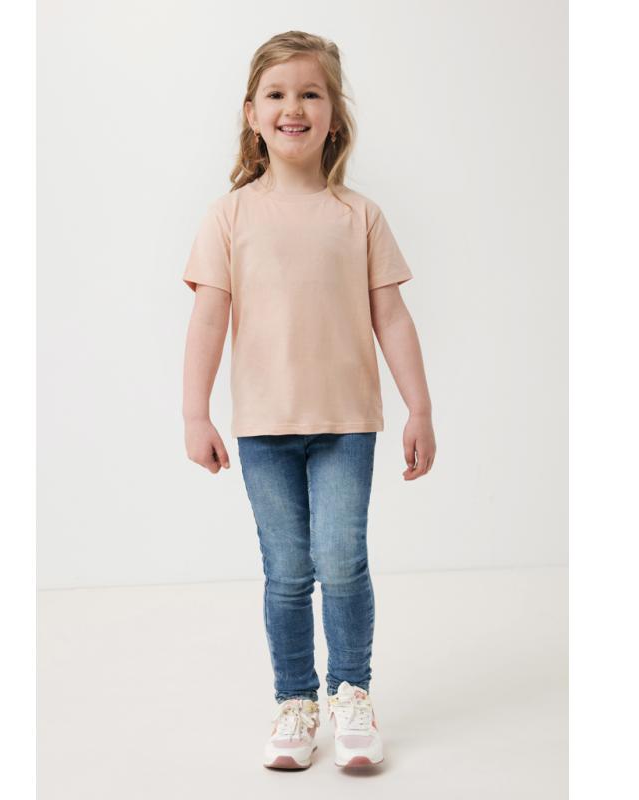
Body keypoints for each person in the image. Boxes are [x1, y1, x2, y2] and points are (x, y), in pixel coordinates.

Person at [181, 30, 436, 770]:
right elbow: (208, 320)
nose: (293, 107)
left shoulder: (359, 216)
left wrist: (420, 408)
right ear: (252, 114)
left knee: (343, 562)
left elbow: (392, 316)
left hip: (347, 424)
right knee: (288, 572)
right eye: (277, 94)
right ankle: (295, 702)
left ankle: (351, 692)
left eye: (310, 93)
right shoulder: (229, 216)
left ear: (333, 114)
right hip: (263, 428)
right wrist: (195, 413)